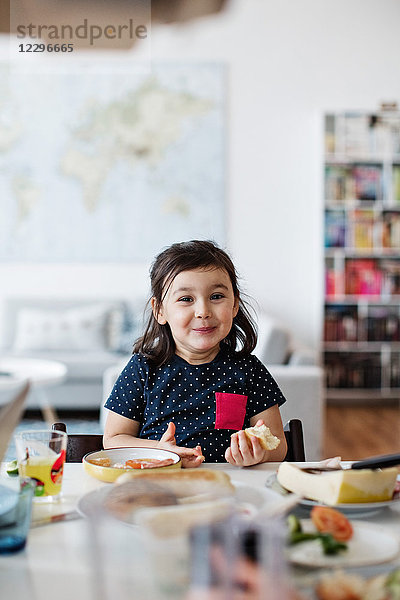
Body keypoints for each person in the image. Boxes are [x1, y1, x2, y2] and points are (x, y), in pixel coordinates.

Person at [103, 240, 288, 466]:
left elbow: (277, 442)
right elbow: (113, 439)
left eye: (216, 296)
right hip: (159, 485)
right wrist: (160, 450)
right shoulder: (143, 368)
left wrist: (261, 453)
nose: (203, 311)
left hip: (229, 488)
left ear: (235, 305)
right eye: (186, 299)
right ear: (160, 310)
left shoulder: (249, 370)